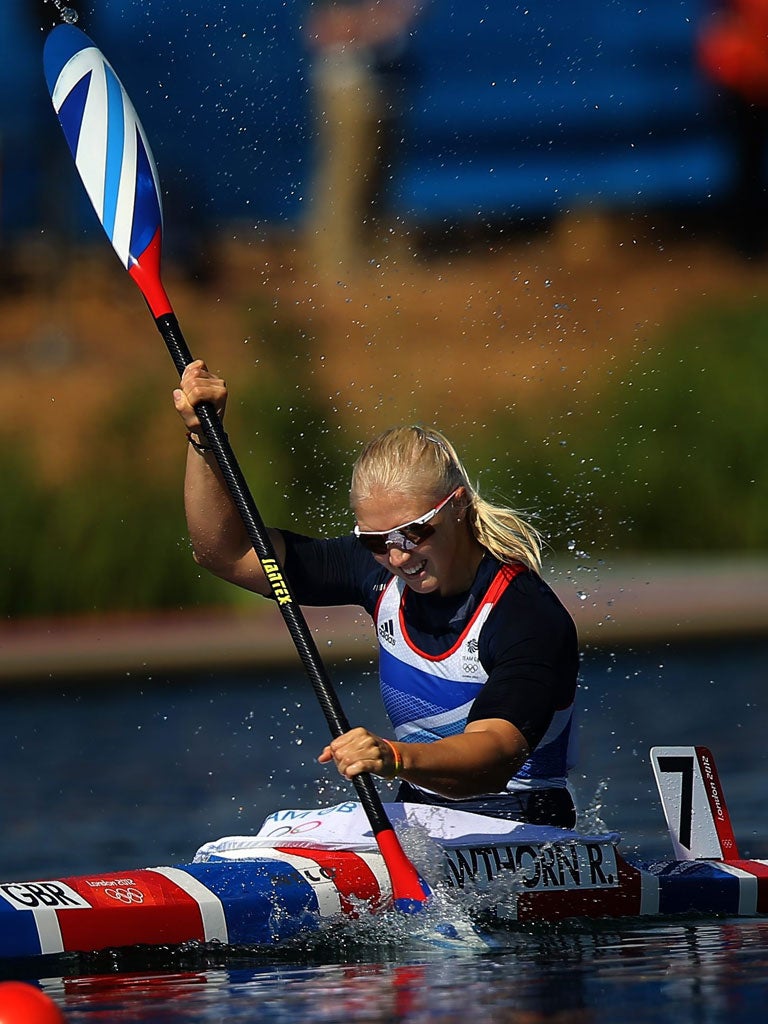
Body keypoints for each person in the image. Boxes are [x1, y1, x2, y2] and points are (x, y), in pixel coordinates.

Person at [174, 361, 579, 828]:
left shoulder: (525, 614)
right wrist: (204, 438)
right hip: (421, 827)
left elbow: (494, 759)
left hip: (525, 831)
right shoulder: (376, 569)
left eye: (414, 533)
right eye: (375, 540)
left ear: (459, 506)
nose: (398, 556)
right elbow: (226, 553)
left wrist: (392, 757)